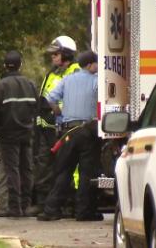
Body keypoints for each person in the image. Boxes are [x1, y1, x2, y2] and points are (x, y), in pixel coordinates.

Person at [37, 50, 102, 221]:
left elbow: (50, 98)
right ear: (90, 64)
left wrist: (59, 112)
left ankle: (51, 210)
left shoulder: (66, 80)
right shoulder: (96, 81)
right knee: (87, 172)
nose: (98, 67)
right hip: (88, 131)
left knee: (63, 171)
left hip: (68, 131)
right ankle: (83, 212)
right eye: (96, 63)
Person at [25, 36, 81, 216]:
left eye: (56, 54)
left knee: (66, 167)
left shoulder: (75, 72)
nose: (53, 57)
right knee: (44, 166)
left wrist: (58, 111)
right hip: (46, 129)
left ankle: (70, 204)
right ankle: (43, 202)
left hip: (66, 128)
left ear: (66, 54)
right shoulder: (52, 73)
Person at [0, 50, 38, 217]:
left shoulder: (1, 86)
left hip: (7, 134)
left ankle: (14, 207)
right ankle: (26, 205)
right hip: (26, 132)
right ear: (21, 65)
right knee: (26, 168)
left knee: (12, 170)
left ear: (5, 66)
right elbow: (36, 108)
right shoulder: (30, 85)